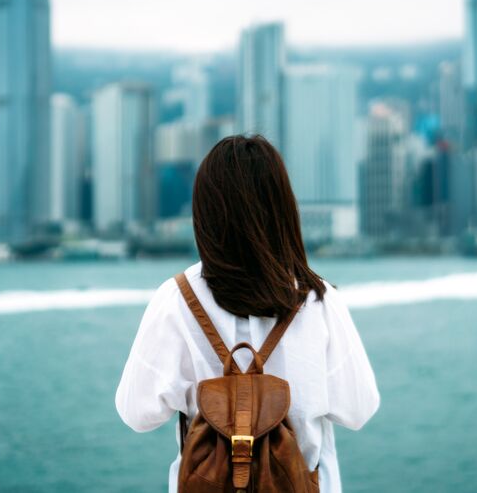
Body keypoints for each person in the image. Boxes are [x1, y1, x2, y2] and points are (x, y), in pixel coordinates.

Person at [115, 134, 380, 492]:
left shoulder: (175, 299)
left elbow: (137, 413)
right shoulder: (319, 299)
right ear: (283, 207)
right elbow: (359, 409)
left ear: (205, 212)